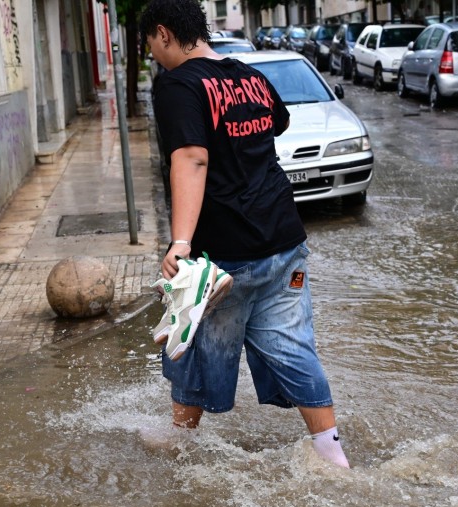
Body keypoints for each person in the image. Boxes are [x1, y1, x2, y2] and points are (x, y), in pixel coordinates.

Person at [140, 0, 350, 469]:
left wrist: (180, 243)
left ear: (164, 34)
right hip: (284, 240)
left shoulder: (177, 85)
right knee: (294, 347)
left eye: (151, 45)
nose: (154, 55)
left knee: (188, 335)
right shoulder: (250, 76)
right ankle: (332, 454)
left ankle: (180, 439)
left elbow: (192, 158)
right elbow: (278, 122)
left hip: (227, 252)